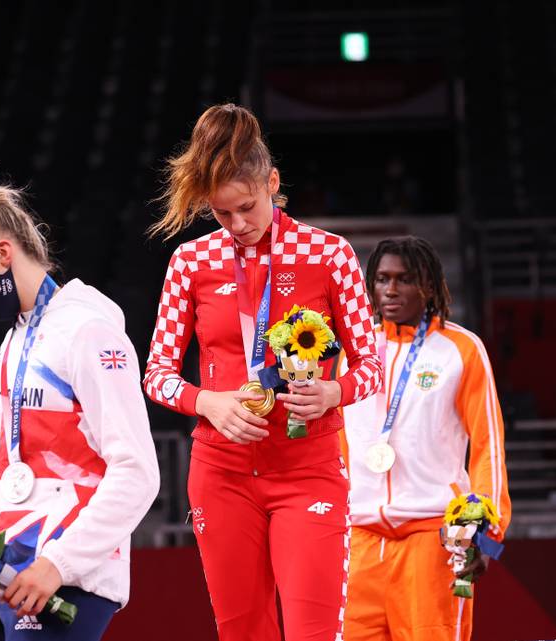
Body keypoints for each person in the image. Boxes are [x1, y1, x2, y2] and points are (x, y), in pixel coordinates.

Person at [143, 103, 382, 641]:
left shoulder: (330, 255)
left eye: (248, 207)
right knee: (242, 634)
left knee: (311, 634)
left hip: (308, 469)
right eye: (222, 214)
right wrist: (208, 402)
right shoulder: (190, 262)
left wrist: (332, 391)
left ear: (272, 182)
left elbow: (372, 365)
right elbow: (156, 372)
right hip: (221, 473)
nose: (238, 225)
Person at [0, 158, 160, 640]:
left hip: (64, 581)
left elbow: (138, 472)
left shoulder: (88, 330)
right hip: (14, 578)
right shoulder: (12, 342)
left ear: (2, 254)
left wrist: (58, 564)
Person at [340, 236, 511, 641]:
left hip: (430, 538)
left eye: (405, 279)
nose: (391, 290)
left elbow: (487, 447)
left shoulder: (461, 349)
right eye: (382, 279)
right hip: (358, 540)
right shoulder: (351, 352)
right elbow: (338, 447)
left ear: (430, 286)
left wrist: (486, 534)